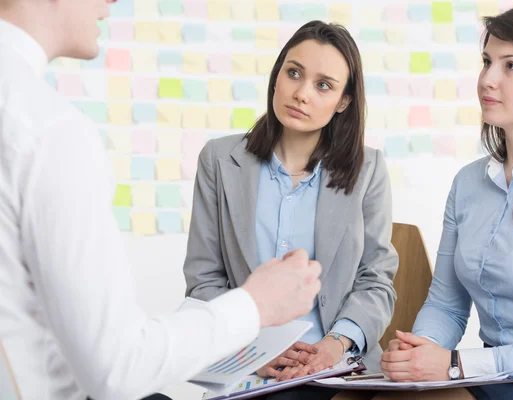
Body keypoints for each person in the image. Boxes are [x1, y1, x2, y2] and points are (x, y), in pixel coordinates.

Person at [0, 1, 323, 399]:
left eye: (324, 84)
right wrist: (256, 305)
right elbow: (118, 370)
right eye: (294, 74)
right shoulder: (49, 132)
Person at [332, 3, 513, 400]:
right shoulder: (468, 183)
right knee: (354, 396)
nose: (487, 79)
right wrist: (415, 353)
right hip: (494, 373)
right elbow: (447, 306)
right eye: (487, 61)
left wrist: (455, 365)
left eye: (511, 66)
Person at [183, 20, 398, 399]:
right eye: (294, 73)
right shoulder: (219, 159)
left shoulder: (368, 169)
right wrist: (253, 348)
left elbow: (375, 280)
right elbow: (204, 281)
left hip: (335, 368)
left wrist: (336, 344)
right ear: (276, 77)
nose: (301, 93)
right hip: (248, 362)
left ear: (343, 101)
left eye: (323, 85)